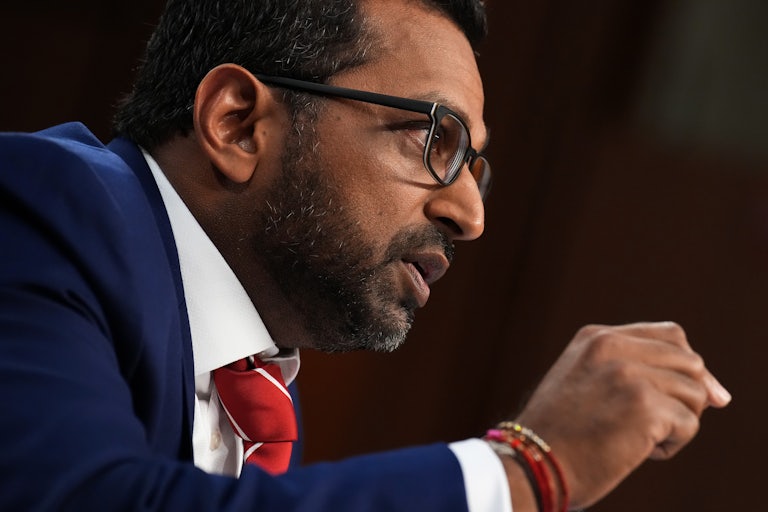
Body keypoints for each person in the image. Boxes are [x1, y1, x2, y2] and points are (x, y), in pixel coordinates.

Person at [0, 0, 731, 511]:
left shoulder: (259, 403)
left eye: (475, 169)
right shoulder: (38, 211)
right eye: (433, 139)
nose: (470, 216)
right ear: (239, 123)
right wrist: (526, 471)